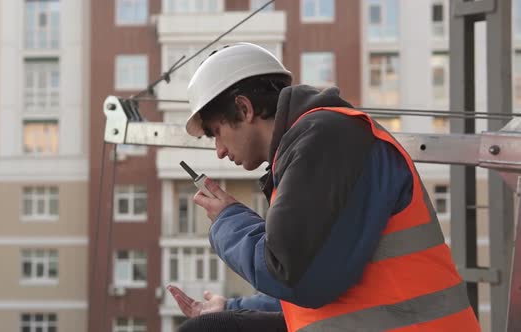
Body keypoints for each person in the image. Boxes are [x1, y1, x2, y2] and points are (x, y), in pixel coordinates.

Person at [168, 42, 481, 332]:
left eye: (216, 133)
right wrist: (231, 307)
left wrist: (227, 221)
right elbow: (321, 277)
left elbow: (295, 278)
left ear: (244, 109)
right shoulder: (316, 142)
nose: (219, 150)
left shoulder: (325, 139)